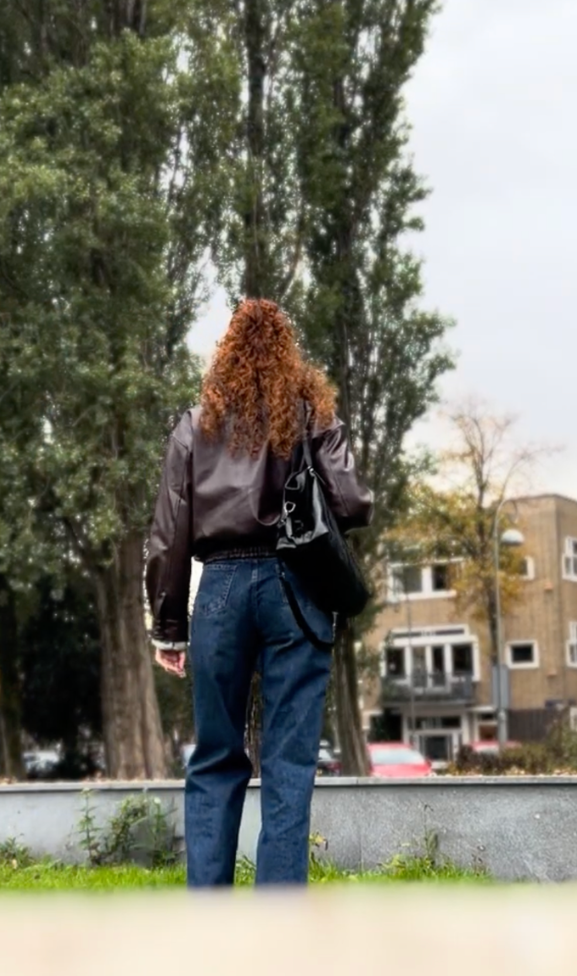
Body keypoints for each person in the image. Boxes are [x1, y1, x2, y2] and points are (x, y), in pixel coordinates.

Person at [146, 299, 374, 888]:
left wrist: (169, 628)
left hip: (218, 591)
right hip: (294, 590)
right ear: (287, 354)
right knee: (288, 765)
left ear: (226, 356)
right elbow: (353, 502)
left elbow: (168, 535)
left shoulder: (194, 426)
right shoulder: (309, 417)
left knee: (215, 760)